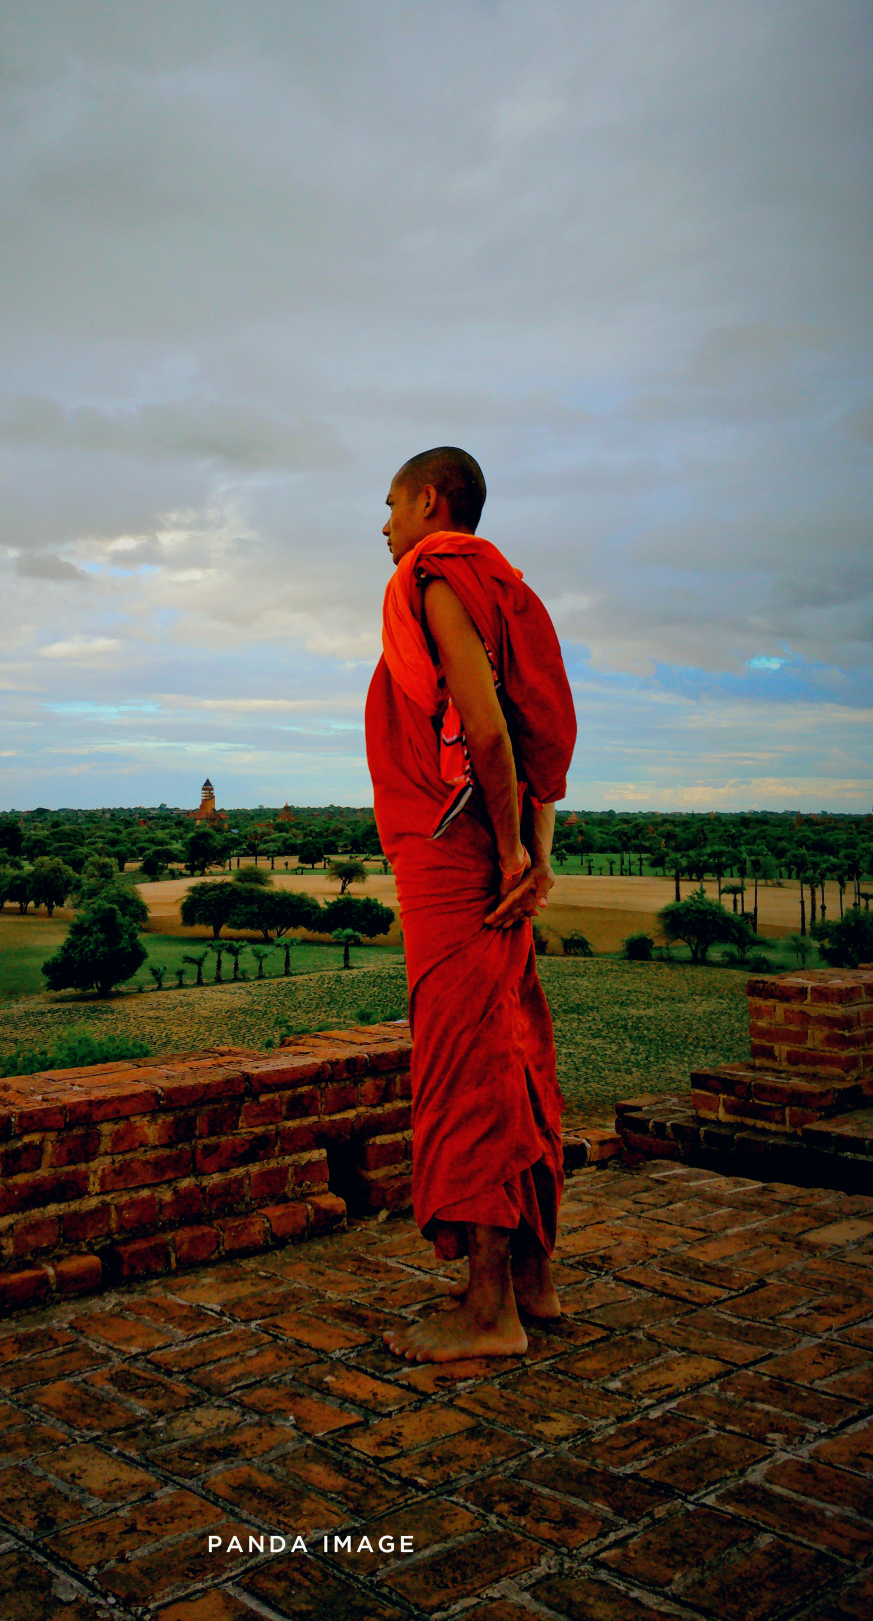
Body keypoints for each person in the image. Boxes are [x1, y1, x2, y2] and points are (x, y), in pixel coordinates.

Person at [365, 446, 577, 1361]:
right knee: (513, 1047)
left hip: (459, 856)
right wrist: (536, 848)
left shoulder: (438, 575)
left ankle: (486, 1309)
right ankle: (534, 1280)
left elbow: (488, 729)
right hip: (488, 848)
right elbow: (537, 738)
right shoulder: (507, 589)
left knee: (467, 1068)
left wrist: (504, 853)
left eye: (388, 507)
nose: (383, 527)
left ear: (426, 500)